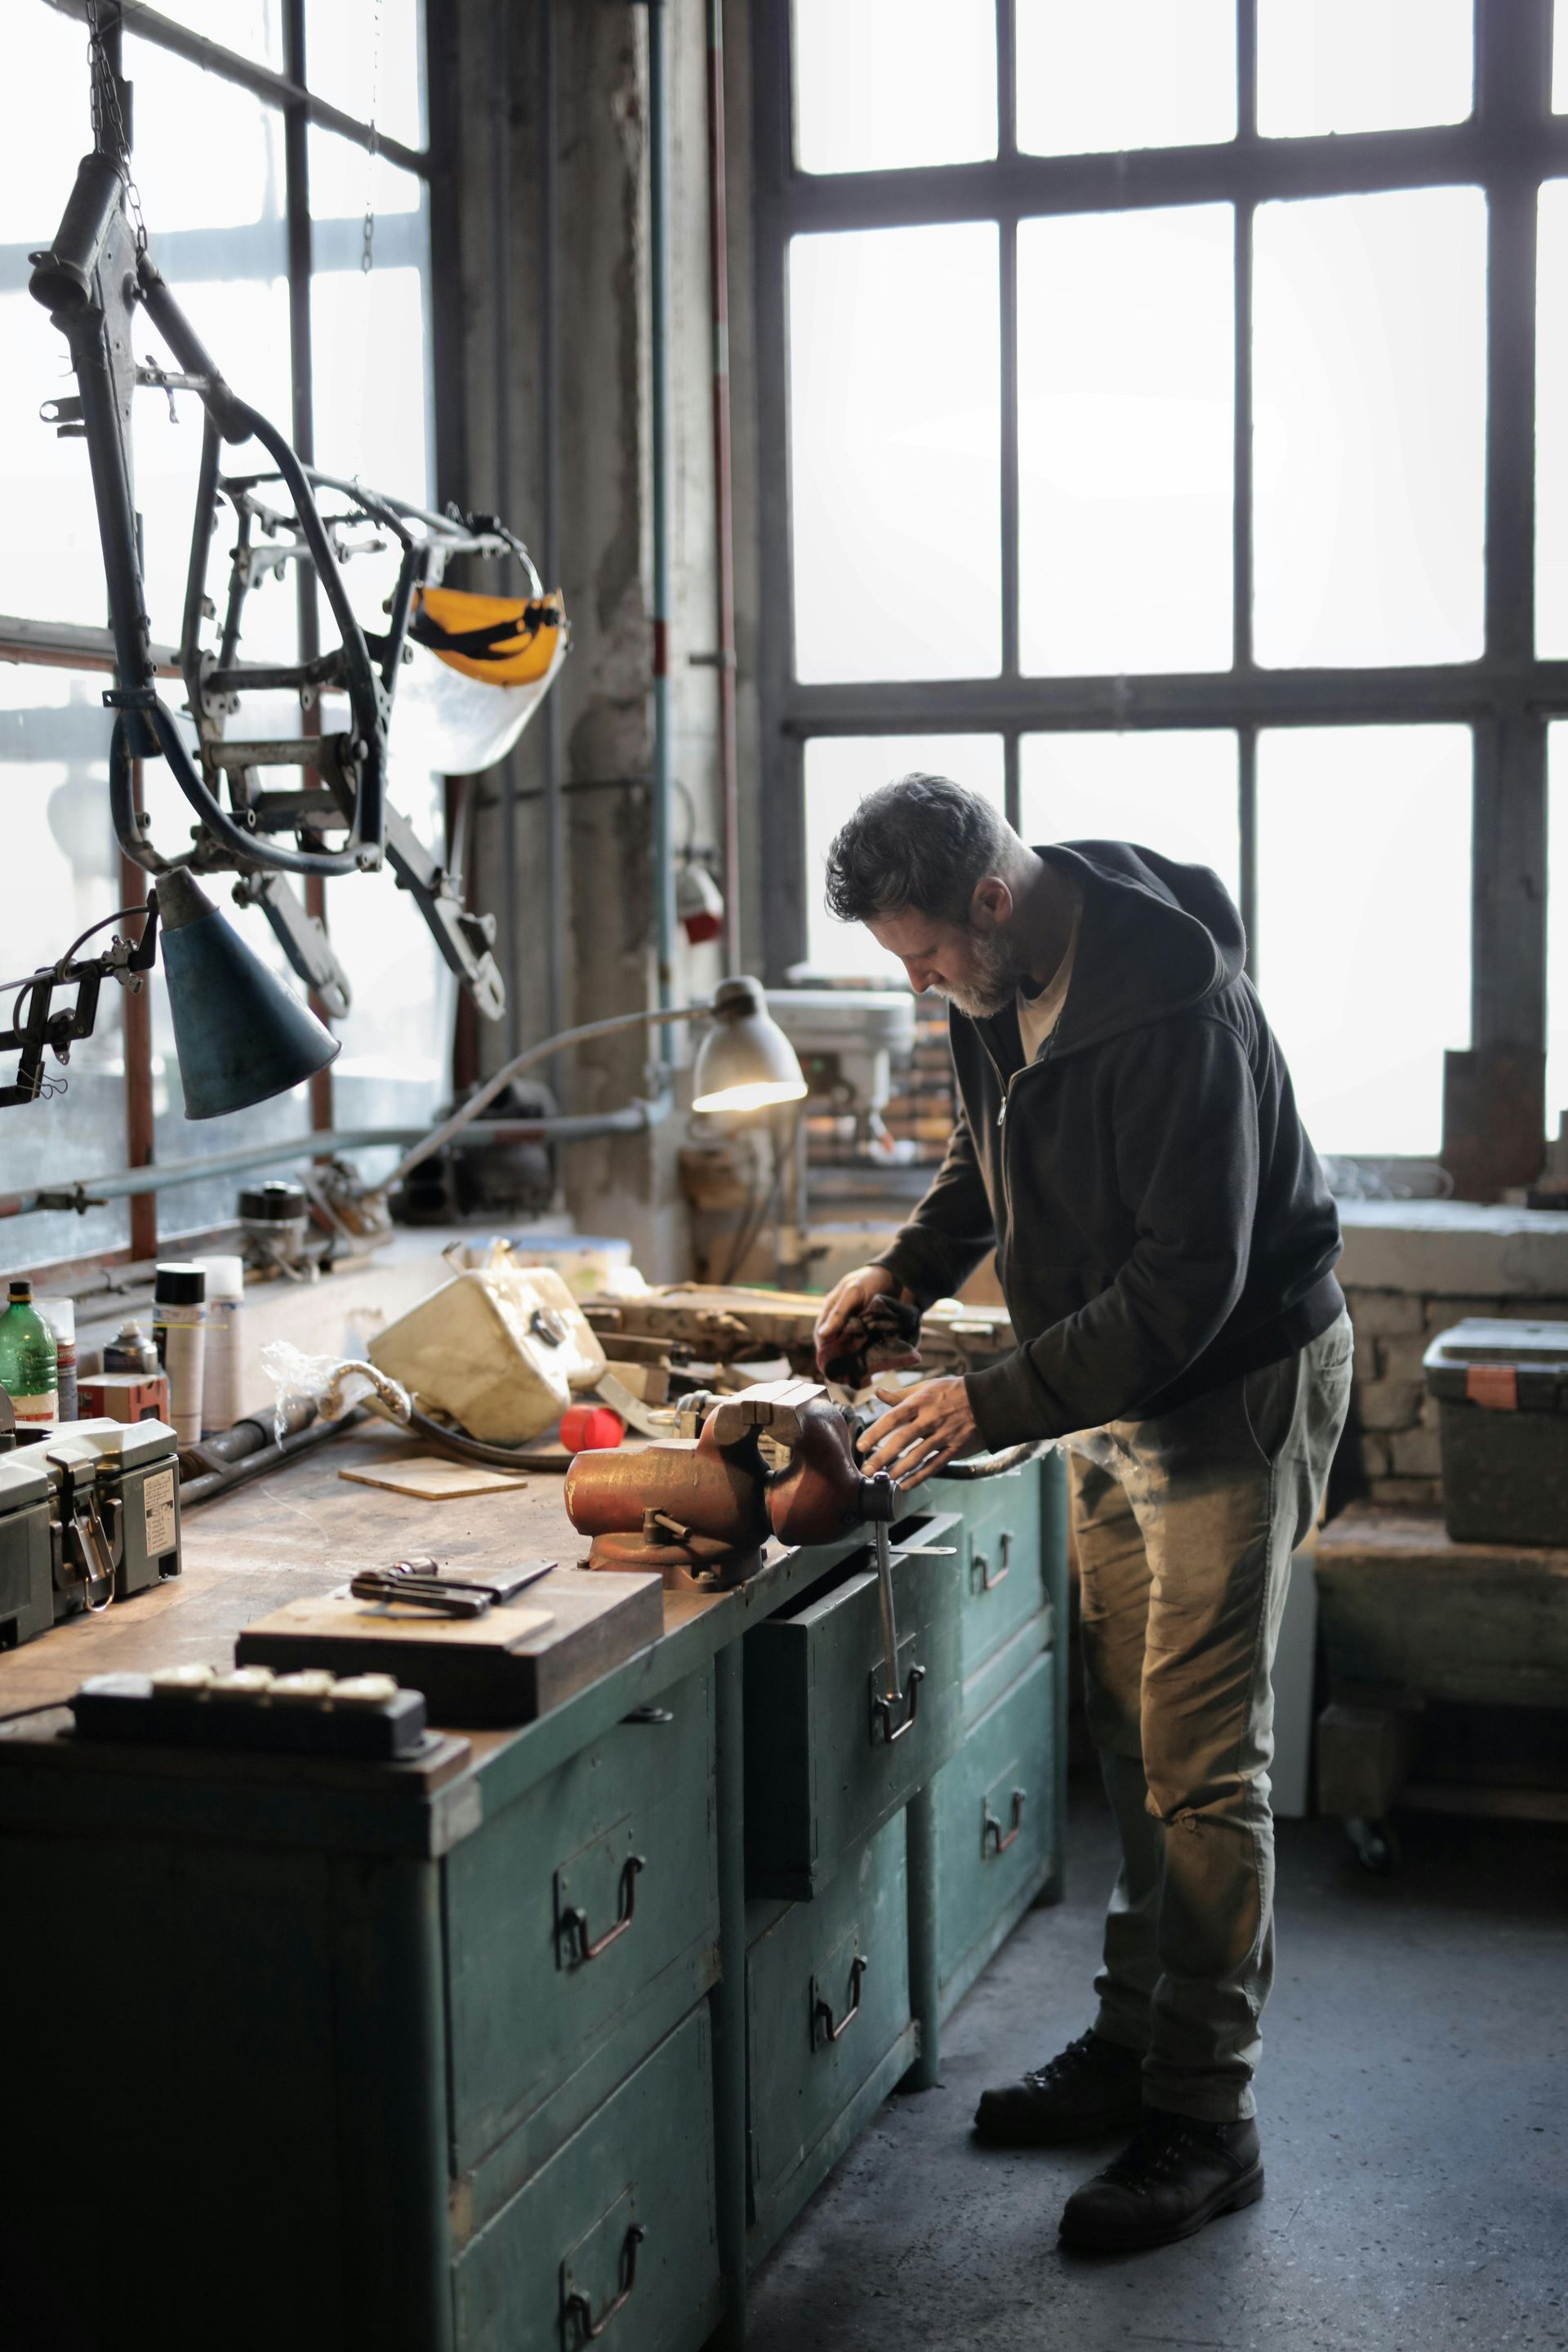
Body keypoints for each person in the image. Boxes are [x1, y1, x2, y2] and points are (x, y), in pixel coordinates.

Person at [813, 773, 1352, 2256]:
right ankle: (1133, 2046)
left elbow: (1188, 1293)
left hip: (1227, 1383)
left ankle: (1205, 2115)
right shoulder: (998, 975)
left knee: (1199, 1763)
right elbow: (992, 1156)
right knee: (1126, 1733)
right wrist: (912, 1269)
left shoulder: (1176, 1008)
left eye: (925, 958)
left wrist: (986, 1401)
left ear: (993, 898)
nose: (922, 987)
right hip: (1103, 1381)